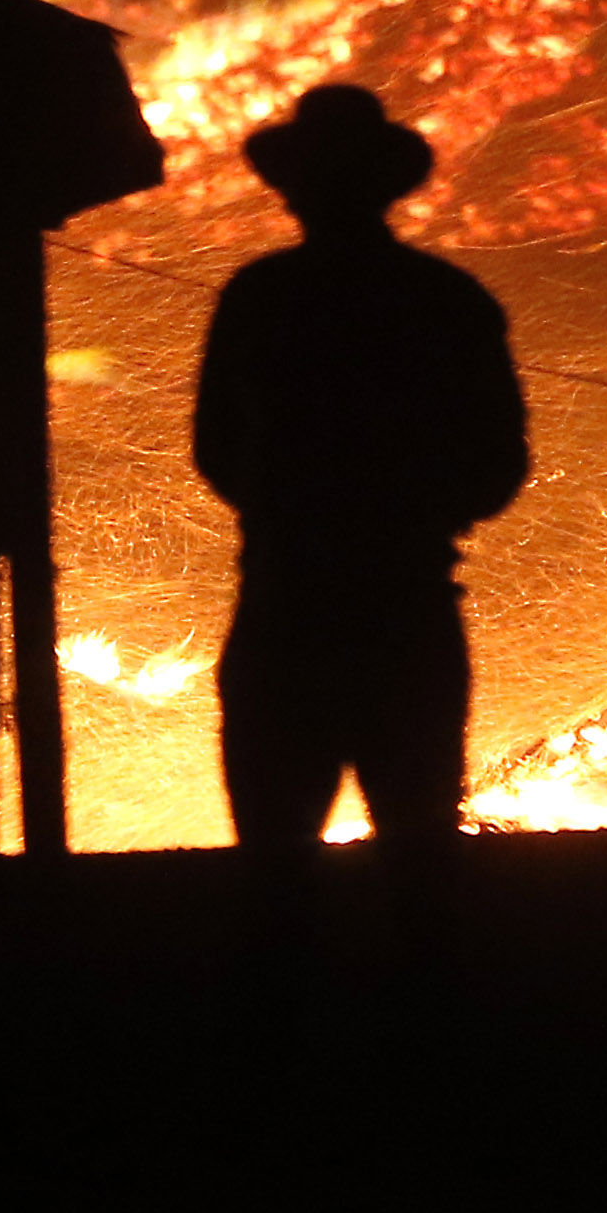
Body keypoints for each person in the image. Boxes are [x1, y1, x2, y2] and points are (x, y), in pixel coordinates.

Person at [190, 82, 527, 975]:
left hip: (284, 612)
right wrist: (412, 515)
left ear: (294, 187)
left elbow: (216, 451)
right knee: (421, 876)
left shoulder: (258, 299)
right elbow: (499, 465)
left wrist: (296, 510)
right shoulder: (447, 302)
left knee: (274, 879)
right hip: (407, 613)